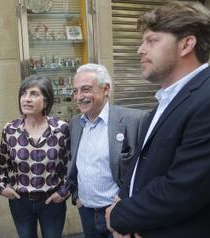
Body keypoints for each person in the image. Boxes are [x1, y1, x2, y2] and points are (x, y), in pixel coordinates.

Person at [105, 2, 210, 237]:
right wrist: (123, 202)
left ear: (187, 44)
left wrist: (119, 216)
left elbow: (183, 189)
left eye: (152, 40)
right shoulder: (164, 103)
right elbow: (141, 167)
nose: (140, 50)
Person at [63, 63, 147, 238]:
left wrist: (130, 209)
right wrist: (77, 197)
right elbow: (72, 161)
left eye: (85, 89)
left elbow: (145, 171)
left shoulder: (134, 120)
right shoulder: (75, 124)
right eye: (75, 91)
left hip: (120, 213)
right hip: (86, 212)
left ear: (106, 89)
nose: (79, 97)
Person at [0, 75, 70, 238]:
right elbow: (1, 167)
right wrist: (2, 187)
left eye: (34, 94)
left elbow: (69, 166)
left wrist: (63, 192)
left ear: (47, 100)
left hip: (52, 201)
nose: (26, 99)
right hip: (20, 202)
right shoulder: (11, 129)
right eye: (23, 93)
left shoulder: (61, 129)